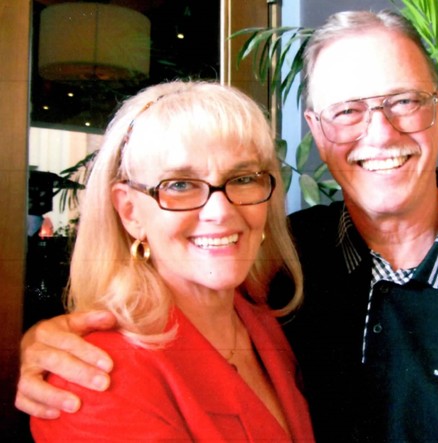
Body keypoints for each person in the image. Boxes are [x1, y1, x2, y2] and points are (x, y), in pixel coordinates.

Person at [17, 10, 438, 442]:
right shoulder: (291, 262)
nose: (379, 133)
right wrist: (50, 342)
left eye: (403, 102)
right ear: (317, 131)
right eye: (348, 111)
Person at [25, 80, 315, 441]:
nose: (221, 212)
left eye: (242, 178)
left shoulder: (262, 321)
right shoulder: (95, 382)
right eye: (180, 185)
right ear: (129, 211)